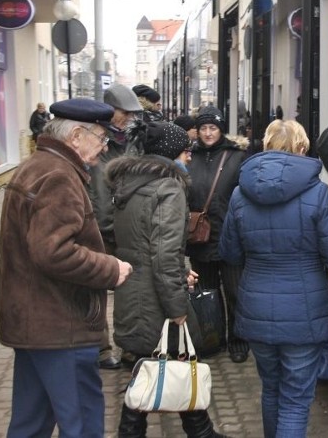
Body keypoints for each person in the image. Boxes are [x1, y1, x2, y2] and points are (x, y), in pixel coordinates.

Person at [0, 98, 133, 438]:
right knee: (83, 424)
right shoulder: (59, 175)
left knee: (31, 422)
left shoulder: (38, 165)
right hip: (61, 324)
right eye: (101, 138)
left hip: (35, 322)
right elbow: (53, 252)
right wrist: (109, 268)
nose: (103, 148)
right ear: (76, 135)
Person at [218, 119, 328, 437]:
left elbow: (230, 254)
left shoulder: (239, 194)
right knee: (295, 400)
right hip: (304, 315)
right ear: (302, 148)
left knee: (272, 390)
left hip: (256, 310)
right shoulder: (318, 194)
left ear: (265, 147)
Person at [107, 121, 228, 438]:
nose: (189, 157)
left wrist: (177, 266)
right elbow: (163, 253)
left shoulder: (129, 183)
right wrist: (177, 309)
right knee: (169, 359)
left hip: (134, 289)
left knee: (157, 361)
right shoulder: (169, 188)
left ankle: (200, 431)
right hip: (157, 295)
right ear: (172, 153)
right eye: (186, 150)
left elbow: (139, 242)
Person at [186, 106, 249, 363]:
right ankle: (212, 338)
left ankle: (238, 340)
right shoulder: (190, 156)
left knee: (235, 291)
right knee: (207, 291)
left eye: (213, 128)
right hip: (200, 237)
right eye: (203, 128)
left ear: (221, 129)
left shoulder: (237, 155)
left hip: (230, 233)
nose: (208, 133)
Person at [88, 83, 145, 369]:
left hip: (128, 224)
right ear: (110, 111)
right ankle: (100, 348)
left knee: (129, 288)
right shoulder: (92, 140)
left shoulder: (135, 142)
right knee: (96, 291)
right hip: (97, 228)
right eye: (125, 113)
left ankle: (130, 346)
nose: (129, 118)